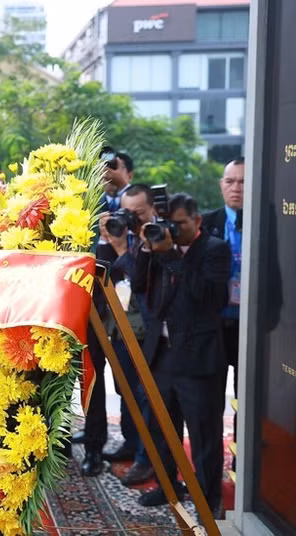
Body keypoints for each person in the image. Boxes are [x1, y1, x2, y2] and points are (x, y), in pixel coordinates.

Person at [132, 194, 230, 520]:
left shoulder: (214, 249)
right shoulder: (159, 245)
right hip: (161, 354)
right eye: (168, 224)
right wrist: (147, 249)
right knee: (160, 427)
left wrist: (172, 254)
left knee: (203, 434)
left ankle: (207, 500)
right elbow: (138, 284)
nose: (173, 230)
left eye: (180, 224)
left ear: (197, 221)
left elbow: (210, 298)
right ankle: (167, 487)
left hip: (198, 358)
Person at [73, 146, 134, 477]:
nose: (106, 172)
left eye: (114, 166)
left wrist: (122, 186)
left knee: (129, 378)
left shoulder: (135, 201)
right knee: (92, 376)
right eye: (101, 167)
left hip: (129, 305)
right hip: (92, 302)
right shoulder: (85, 203)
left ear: (128, 172)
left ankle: (134, 443)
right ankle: (94, 447)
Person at [99, 184, 157, 485]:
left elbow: (140, 280)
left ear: (152, 209)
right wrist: (106, 237)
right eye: (126, 212)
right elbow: (103, 269)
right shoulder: (120, 232)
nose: (131, 219)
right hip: (121, 326)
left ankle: (147, 459)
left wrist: (122, 249)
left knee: (146, 396)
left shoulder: (157, 236)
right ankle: (131, 443)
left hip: (148, 332)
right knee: (125, 389)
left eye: (138, 213)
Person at [201, 157, 243, 469]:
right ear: (221, 185)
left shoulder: (271, 223)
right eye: (230, 181)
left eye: (243, 182)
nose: (236, 188)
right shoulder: (205, 223)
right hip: (212, 326)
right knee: (209, 403)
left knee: (248, 401)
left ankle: (244, 463)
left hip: (250, 327)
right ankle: (209, 474)